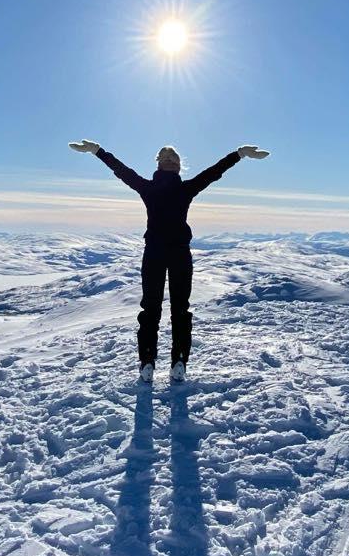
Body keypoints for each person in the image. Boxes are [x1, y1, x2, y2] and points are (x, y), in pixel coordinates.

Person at [68, 139, 270, 382]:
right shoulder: (185, 189)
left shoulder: (148, 188)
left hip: (153, 252)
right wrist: (239, 154)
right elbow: (213, 173)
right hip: (179, 254)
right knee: (180, 310)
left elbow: (122, 171)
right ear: (177, 167)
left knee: (150, 309)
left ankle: (147, 363)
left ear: (159, 165)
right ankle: (179, 362)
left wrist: (97, 151)